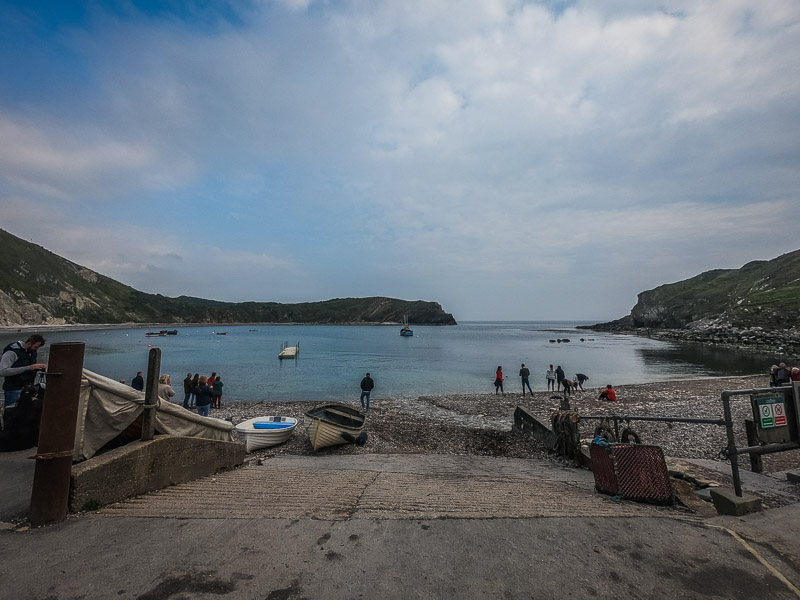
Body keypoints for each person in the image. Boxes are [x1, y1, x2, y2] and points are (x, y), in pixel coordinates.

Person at [0, 334, 47, 407]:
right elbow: (2, 371)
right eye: (36, 347)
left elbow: (28, 366)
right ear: (29, 344)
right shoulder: (11, 352)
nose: (36, 349)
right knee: (12, 415)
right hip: (13, 389)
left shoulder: (32, 352)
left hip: (27, 389)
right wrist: (29, 367)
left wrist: (37, 368)